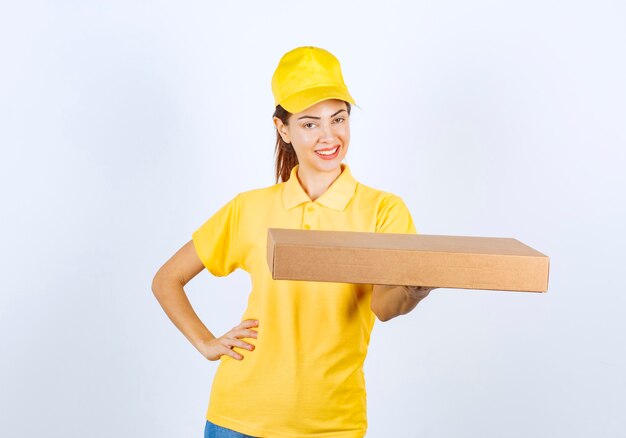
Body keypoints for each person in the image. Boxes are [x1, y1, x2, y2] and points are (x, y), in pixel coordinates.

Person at [152, 46, 436, 438]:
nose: (328, 136)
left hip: (331, 424)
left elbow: (384, 307)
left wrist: (414, 290)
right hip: (240, 418)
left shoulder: (383, 210)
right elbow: (166, 279)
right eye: (309, 124)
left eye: (338, 119)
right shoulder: (249, 209)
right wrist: (207, 343)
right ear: (283, 129)